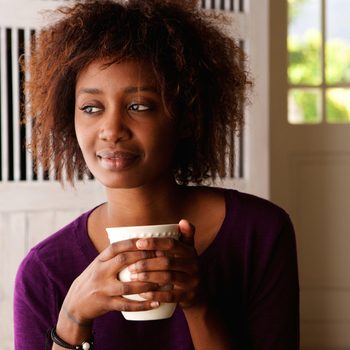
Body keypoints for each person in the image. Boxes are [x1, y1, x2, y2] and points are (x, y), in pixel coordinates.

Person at [14, 0, 299, 349]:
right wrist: (73, 318)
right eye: (91, 108)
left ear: (186, 117)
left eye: (139, 106)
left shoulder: (259, 232)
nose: (111, 129)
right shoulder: (45, 271)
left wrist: (199, 304)